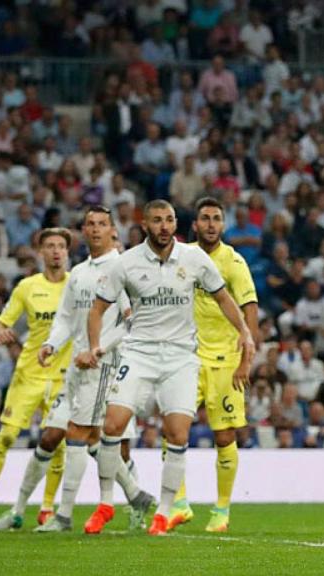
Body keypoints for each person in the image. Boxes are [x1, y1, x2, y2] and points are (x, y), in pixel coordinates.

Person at [85, 200, 255, 536]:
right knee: (112, 424)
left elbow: (224, 298)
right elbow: (97, 308)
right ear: (145, 224)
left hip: (180, 357)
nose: (164, 226)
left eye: (169, 220)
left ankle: (165, 512)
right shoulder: (127, 262)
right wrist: (94, 345)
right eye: (157, 221)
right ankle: (105, 503)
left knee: (177, 433)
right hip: (138, 353)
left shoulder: (195, 259)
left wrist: (245, 332)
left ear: (177, 223)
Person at [32, 207, 154, 533]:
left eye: (102, 224)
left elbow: (131, 322)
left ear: (112, 229)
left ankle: (64, 515)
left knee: (77, 431)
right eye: (90, 224)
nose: (96, 229)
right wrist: (51, 345)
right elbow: (66, 318)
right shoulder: (80, 273)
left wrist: (99, 349)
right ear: (84, 230)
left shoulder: (122, 268)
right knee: (94, 437)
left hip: (104, 364)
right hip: (80, 362)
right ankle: (135, 493)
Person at [0, 229, 74, 530]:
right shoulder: (27, 286)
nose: (55, 251)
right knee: (7, 437)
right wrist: (1, 330)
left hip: (63, 377)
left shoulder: (77, 285)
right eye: (50, 246)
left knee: (57, 444)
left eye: (61, 247)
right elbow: (2, 321)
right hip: (29, 374)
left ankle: (47, 508)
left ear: (67, 252)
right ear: (40, 253)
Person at [167, 197, 261, 533]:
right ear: (194, 224)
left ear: (223, 224)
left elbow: (250, 308)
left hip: (224, 360)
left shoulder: (234, 262)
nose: (210, 224)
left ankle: (221, 511)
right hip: (185, 357)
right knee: (173, 429)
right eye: (204, 218)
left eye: (216, 218)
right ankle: (178, 504)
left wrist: (247, 358)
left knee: (224, 435)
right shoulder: (181, 258)